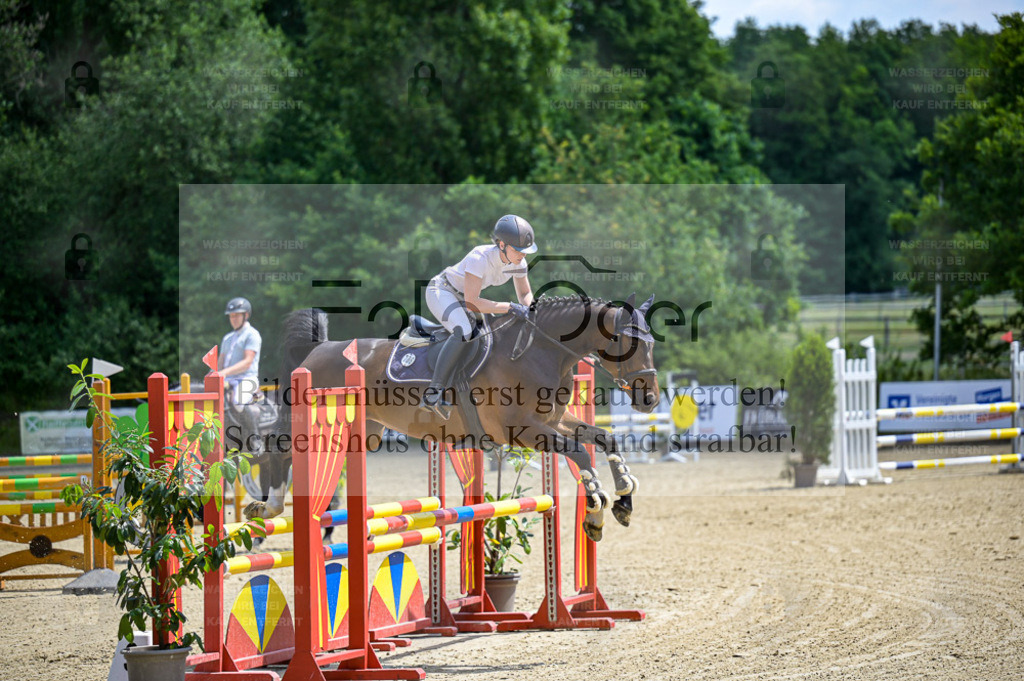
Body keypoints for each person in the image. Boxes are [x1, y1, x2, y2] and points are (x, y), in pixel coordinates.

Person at [420, 214, 537, 418]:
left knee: (491, 333)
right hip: (442, 291)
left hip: (464, 296)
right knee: (465, 331)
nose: (522, 255)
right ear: (501, 245)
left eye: (525, 251)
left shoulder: (519, 264)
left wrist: (534, 313)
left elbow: (525, 294)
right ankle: (434, 391)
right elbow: (472, 302)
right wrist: (510, 307)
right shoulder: (479, 258)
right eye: (518, 250)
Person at [219, 297, 263, 455]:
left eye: (236, 315)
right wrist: (215, 373)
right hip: (228, 379)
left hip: (247, 378)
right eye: (231, 316)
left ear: (246, 315)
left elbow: (247, 362)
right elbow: (221, 362)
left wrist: (224, 372)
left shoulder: (252, 335)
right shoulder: (227, 338)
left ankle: (254, 437)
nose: (233, 319)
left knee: (238, 401)